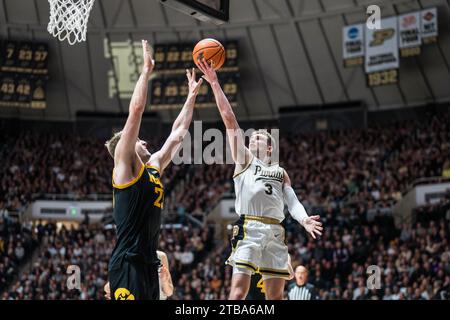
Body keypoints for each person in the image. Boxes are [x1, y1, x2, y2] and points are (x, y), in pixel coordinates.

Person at [196, 58, 323, 300]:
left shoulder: (280, 171)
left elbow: (292, 201)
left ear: (269, 148)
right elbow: (229, 120)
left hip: (276, 230)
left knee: (275, 297)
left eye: (258, 139)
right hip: (249, 228)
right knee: (237, 293)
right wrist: (214, 83)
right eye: (251, 138)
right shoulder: (244, 161)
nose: (252, 139)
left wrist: (305, 219)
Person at [105, 40, 203, 300]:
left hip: (148, 263)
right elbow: (136, 110)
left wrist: (190, 98)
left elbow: (178, 135)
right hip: (128, 263)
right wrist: (146, 71)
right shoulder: (124, 169)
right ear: (125, 147)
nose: (145, 141)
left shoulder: (153, 167)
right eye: (139, 140)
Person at [104, 250, 173, 300]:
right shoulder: (124, 258)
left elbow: (169, 292)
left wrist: (164, 281)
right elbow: (107, 288)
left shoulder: (160, 256)